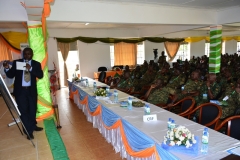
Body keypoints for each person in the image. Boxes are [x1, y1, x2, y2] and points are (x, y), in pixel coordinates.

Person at [3, 47, 44, 140]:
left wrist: (31, 69)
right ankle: (28, 131)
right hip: (20, 92)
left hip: (31, 91)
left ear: (32, 54)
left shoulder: (36, 64)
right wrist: (6, 68)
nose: (26, 56)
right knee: (24, 112)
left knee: (32, 110)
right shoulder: (18, 63)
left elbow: (40, 75)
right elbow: (10, 74)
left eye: (28, 54)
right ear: (23, 54)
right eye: (25, 54)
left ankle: (33, 126)